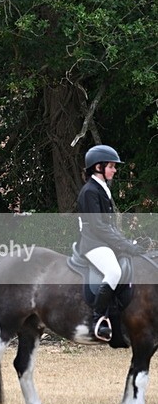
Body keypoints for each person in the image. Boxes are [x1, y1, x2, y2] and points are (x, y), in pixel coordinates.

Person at [77, 144, 145, 341]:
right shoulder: (90, 190)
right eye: (112, 166)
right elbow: (99, 226)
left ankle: (118, 318)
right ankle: (97, 319)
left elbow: (109, 226)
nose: (115, 170)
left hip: (102, 241)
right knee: (114, 271)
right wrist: (125, 246)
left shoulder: (102, 188)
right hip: (93, 243)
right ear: (99, 167)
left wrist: (126, 242)